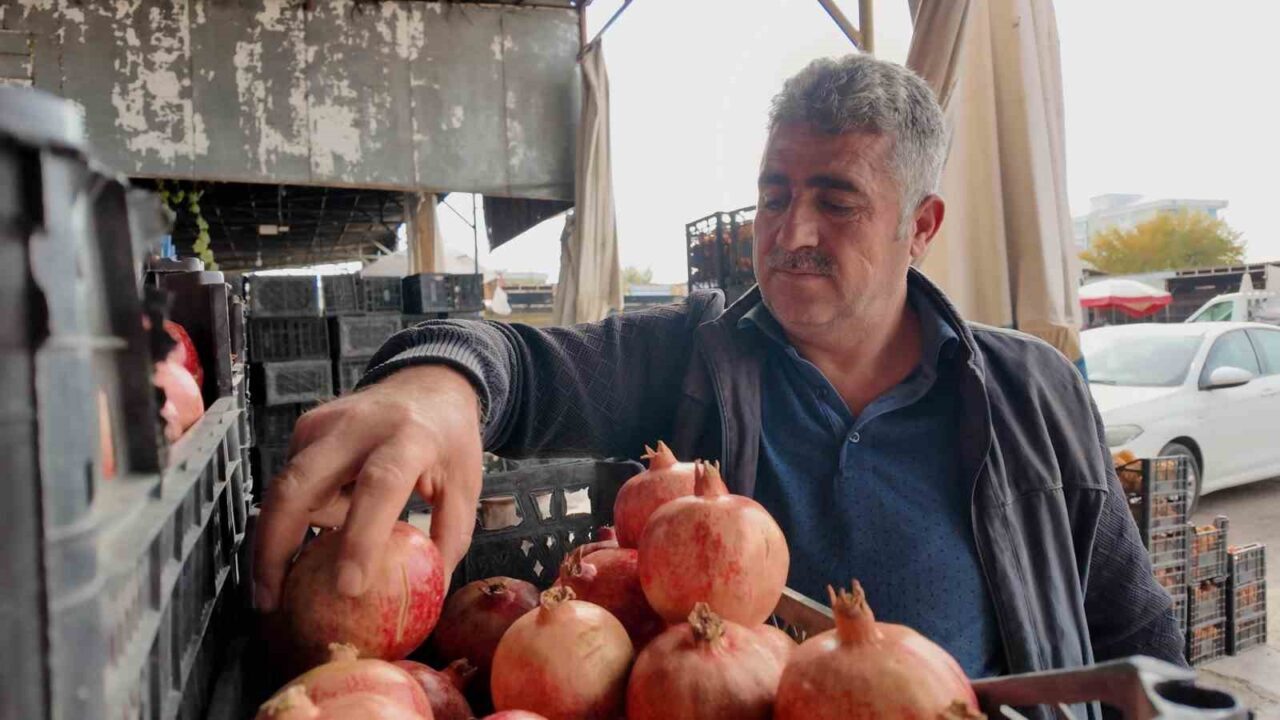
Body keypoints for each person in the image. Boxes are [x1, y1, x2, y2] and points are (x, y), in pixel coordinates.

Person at [254, 54, 1184, 683]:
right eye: (774, 196)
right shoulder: (694, 356)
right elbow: (520, 359)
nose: (791, 233)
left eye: (837, 200)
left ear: (923, 227)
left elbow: (1134, 627)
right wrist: (436, 385)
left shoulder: (1033, 391)